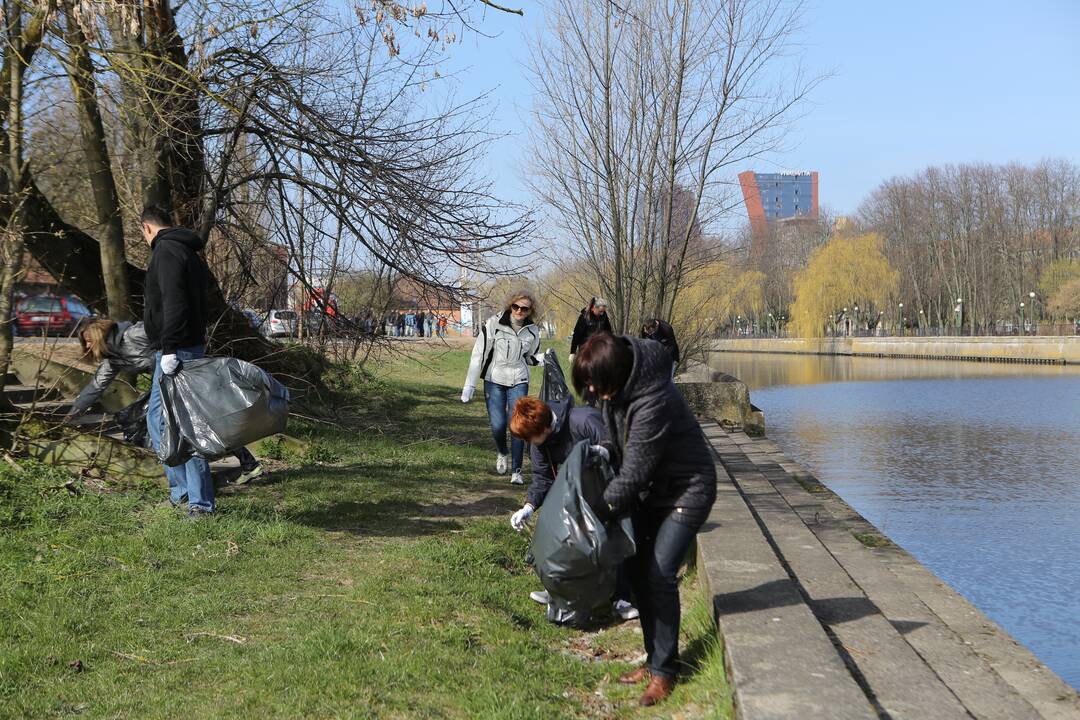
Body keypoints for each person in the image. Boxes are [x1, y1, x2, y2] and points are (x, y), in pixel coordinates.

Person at [573, 332, 717, 707]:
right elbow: (612, 434)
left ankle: (667, 672)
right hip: (652, 491)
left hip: (687, 490)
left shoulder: (654, 398)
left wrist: (598, 512)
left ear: (615, 374)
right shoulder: (614, 387)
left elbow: (635, 471)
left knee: (660, 573)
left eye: (595, 384)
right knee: (636, 571)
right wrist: (602, 449)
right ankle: (653, 660)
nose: (591, 391)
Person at [67, 318, 264, 484]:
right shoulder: (113, 359)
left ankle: (243, 466)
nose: (88, 346)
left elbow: (169, 333)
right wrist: (74, 413)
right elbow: (95, 387)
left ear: (99, 335)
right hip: (165, 387)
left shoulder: (134, 334)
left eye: (89, 341)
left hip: (183, 378)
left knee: (202, 425)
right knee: (161, 425)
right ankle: (241, 466)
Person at [508, 396, 638, 621]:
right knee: (562, 538)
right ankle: (559, 592)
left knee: (610, 539)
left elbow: (617, 447)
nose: (531, 443)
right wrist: (529, 506)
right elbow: (543, 479)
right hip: (574, 495)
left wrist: (603, 452)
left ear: (546, 426)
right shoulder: (539, 443)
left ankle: (621, 598)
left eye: (532, 437)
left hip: (609, 486)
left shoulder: (584, 420)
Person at [140, 204, 218, 519]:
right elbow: (208, 295)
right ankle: (184, 492)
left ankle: (198, 502)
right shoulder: (186, 251)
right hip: (184, 346)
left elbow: (175, 301)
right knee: (160, 421)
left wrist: (171, 347)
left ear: (145, 228)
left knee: (182, 426)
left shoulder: (167, 252)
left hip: (178, 350)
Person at [461, 291, 543, 485]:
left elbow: (530, 357)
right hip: (494, 379)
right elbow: (478, 354)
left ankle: (517, 470)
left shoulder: (532, 331)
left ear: (530, 310)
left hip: (519, 380)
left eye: (524, 308)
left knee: (517, 425)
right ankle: (502, 452)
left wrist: (544, 359)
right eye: (516, 307)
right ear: (509, 306)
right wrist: (469, 385)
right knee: (498, 425)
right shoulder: (493, 324)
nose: (519, 311)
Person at [569, 297, 612, 364]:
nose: (602, 313)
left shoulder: (603, 316)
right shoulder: (584, 317)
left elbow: (608, 332)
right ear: (593, 308)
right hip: (586, 349)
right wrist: (572, 352)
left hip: (599, 349)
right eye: (600, 311)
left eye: (603, 311)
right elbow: (577, 335)